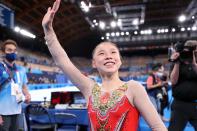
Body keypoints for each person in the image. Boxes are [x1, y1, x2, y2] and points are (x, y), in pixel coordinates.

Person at [42, 0, 167, 130]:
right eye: (102, 53)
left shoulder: (133, 88)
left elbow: (158, 126)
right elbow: (63, 62)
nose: (109, 56)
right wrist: (48, 30)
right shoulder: (89, 88)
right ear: (94, 63)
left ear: (120, 60)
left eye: (113, 52)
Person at [0, 39, 31, 131]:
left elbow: (24, 86)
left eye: (14, 50)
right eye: (9, 50)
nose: (12, 52)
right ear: (3, 52)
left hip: (17, 110)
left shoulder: (21, 69)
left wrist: (27, 94)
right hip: (2, 112)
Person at [168, 40, 197, 131]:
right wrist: (177, 63)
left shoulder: (195, 62)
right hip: (180, 104)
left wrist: (194, 63)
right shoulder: (178, 61)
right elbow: (173, 81)